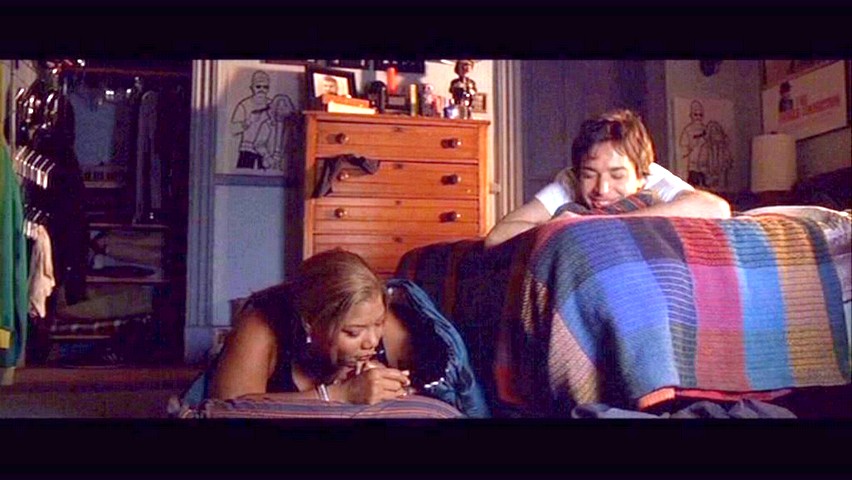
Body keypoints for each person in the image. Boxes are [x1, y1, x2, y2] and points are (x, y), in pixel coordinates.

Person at [484, 109, 731, 248]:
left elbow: (716, 208)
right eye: (589, 175)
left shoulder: (652, 175)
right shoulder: (569, 180)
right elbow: (496, 236)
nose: (601, 189)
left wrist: (599, 223)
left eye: (617, 175)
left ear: (640, 176)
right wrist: (555, 226)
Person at [210, 249, 411, 404]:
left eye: (379, 323)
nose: (372, 342)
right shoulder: (261, 324)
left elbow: (422, 390)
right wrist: (338, 394)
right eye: (353, 332)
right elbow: (226, 409)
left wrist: (392, 385)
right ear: (310, 322)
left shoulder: (386, 322)